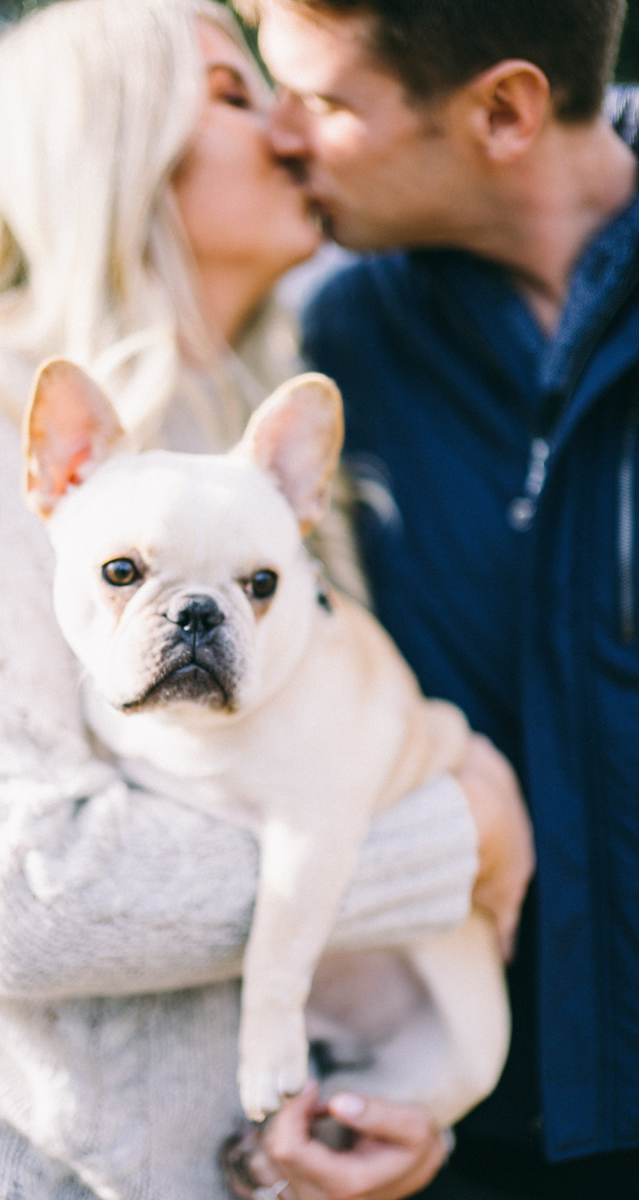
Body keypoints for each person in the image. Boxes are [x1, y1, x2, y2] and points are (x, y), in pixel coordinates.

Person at [0, 1, 531, 1196]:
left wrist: (393, 1104)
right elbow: (23, 897)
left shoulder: (232, 448)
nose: (288, 125)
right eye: (230, 92)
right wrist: (443, 833)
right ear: (101, 142)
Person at [229, 0, 639, 1197]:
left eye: (324, 101)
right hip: (490, 1130)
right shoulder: (331, 352)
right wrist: (418, 1092)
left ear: (502, 110)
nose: (277, 131)